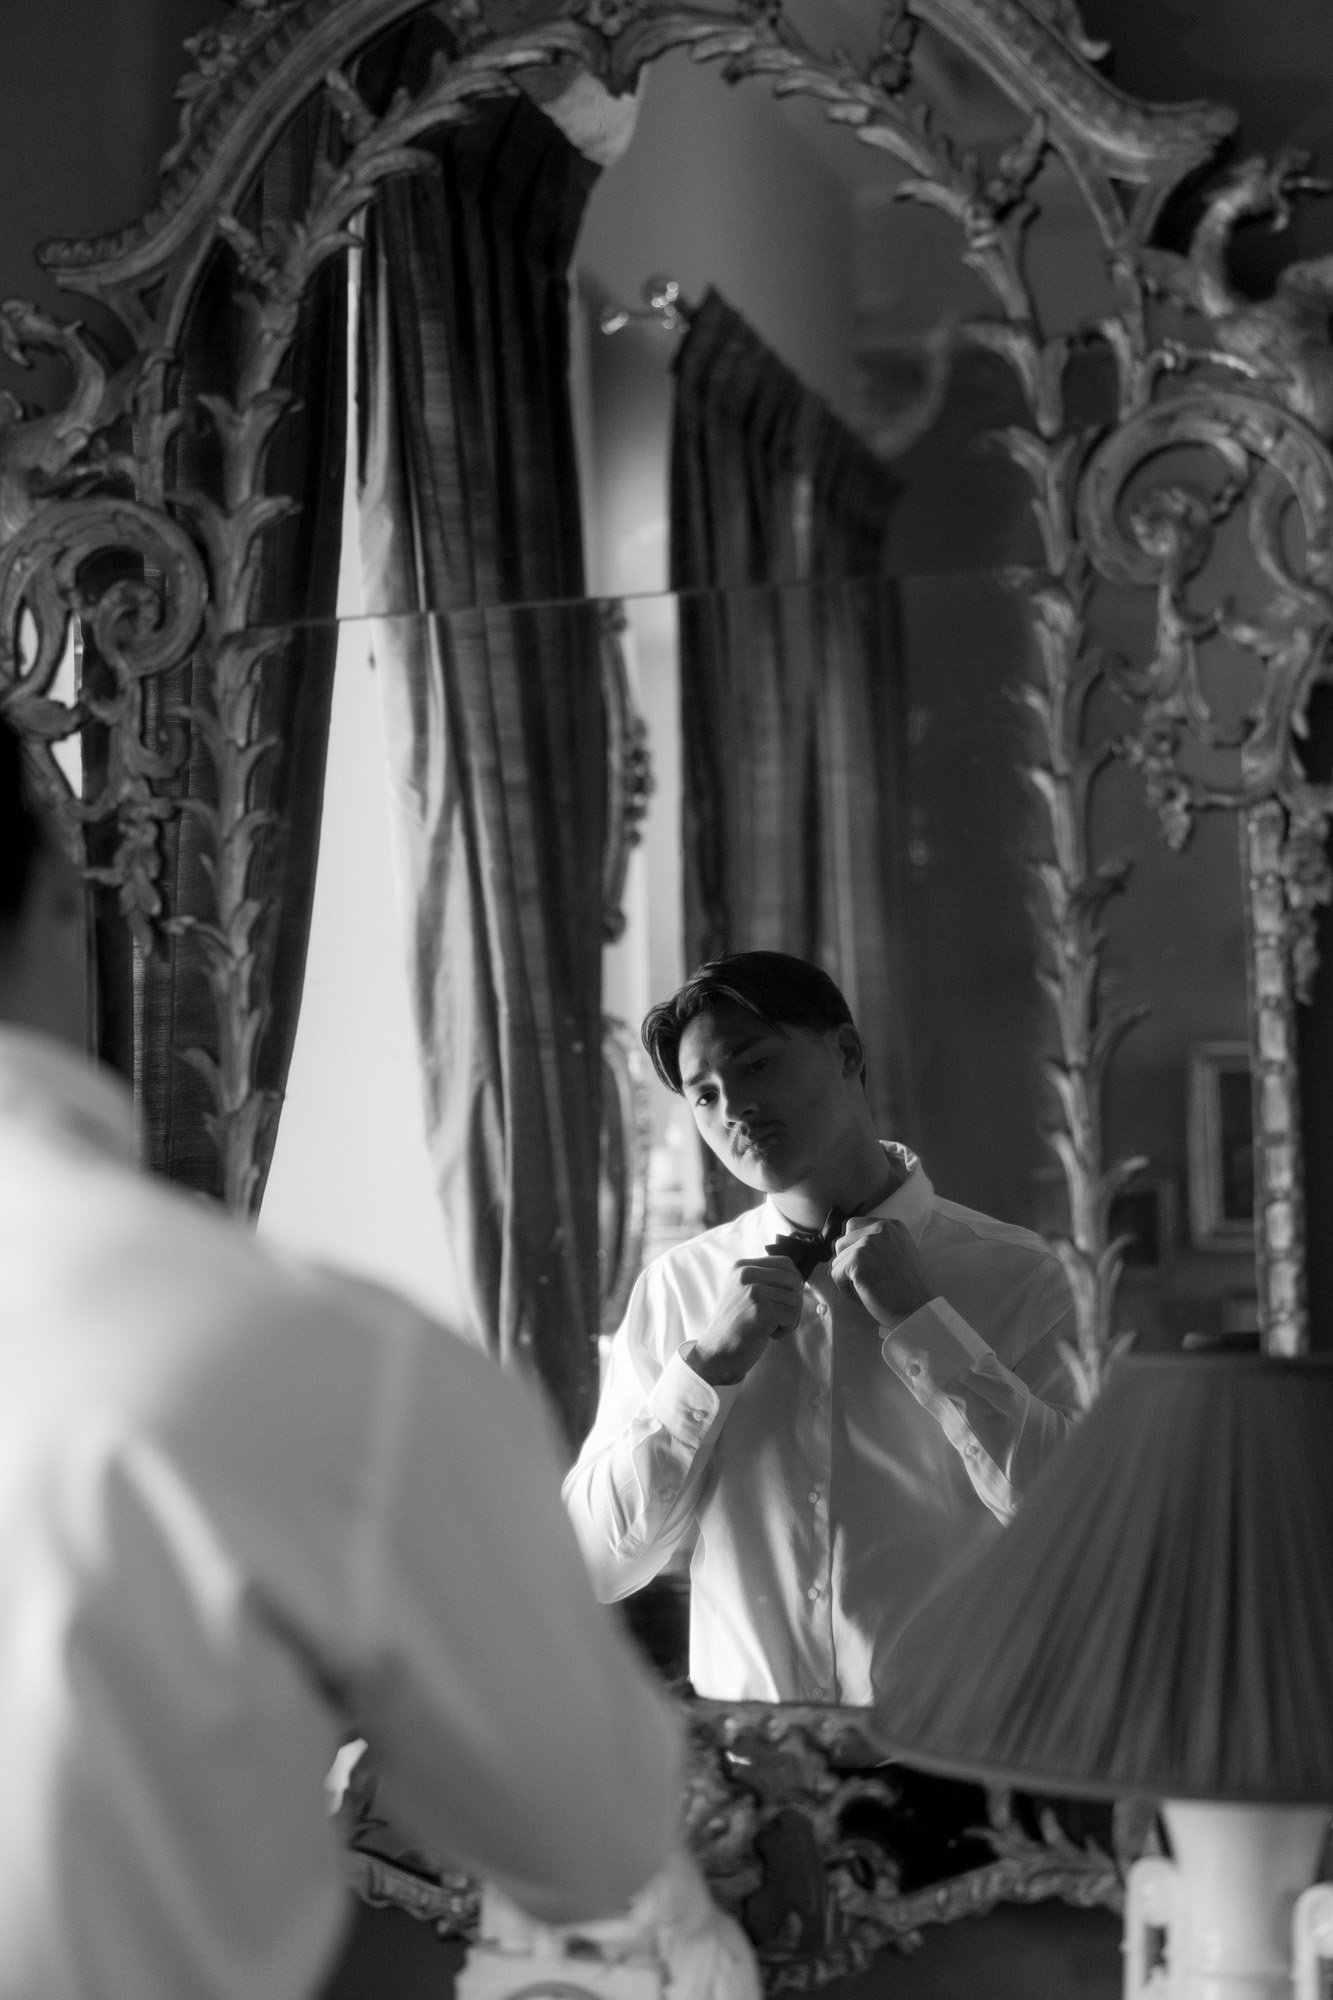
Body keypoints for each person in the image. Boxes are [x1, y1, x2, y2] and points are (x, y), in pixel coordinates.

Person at [0, 713, 696, 2000]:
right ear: (55, 896)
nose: (727, 1107)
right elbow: (593, 1828)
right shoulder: (326, 1365)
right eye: (705, 1083)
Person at [564, 952, 1081, 1706]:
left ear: (844, 1053)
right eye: (703, 1095)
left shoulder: (1021, 1276)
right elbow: (594, 1561)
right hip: (754, 1786)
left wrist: (925, 1326)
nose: (732, 1108)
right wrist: (703, 1371)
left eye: (754, 1065)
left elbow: (1078, 1523)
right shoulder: (677, 1288)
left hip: (968, 1767)